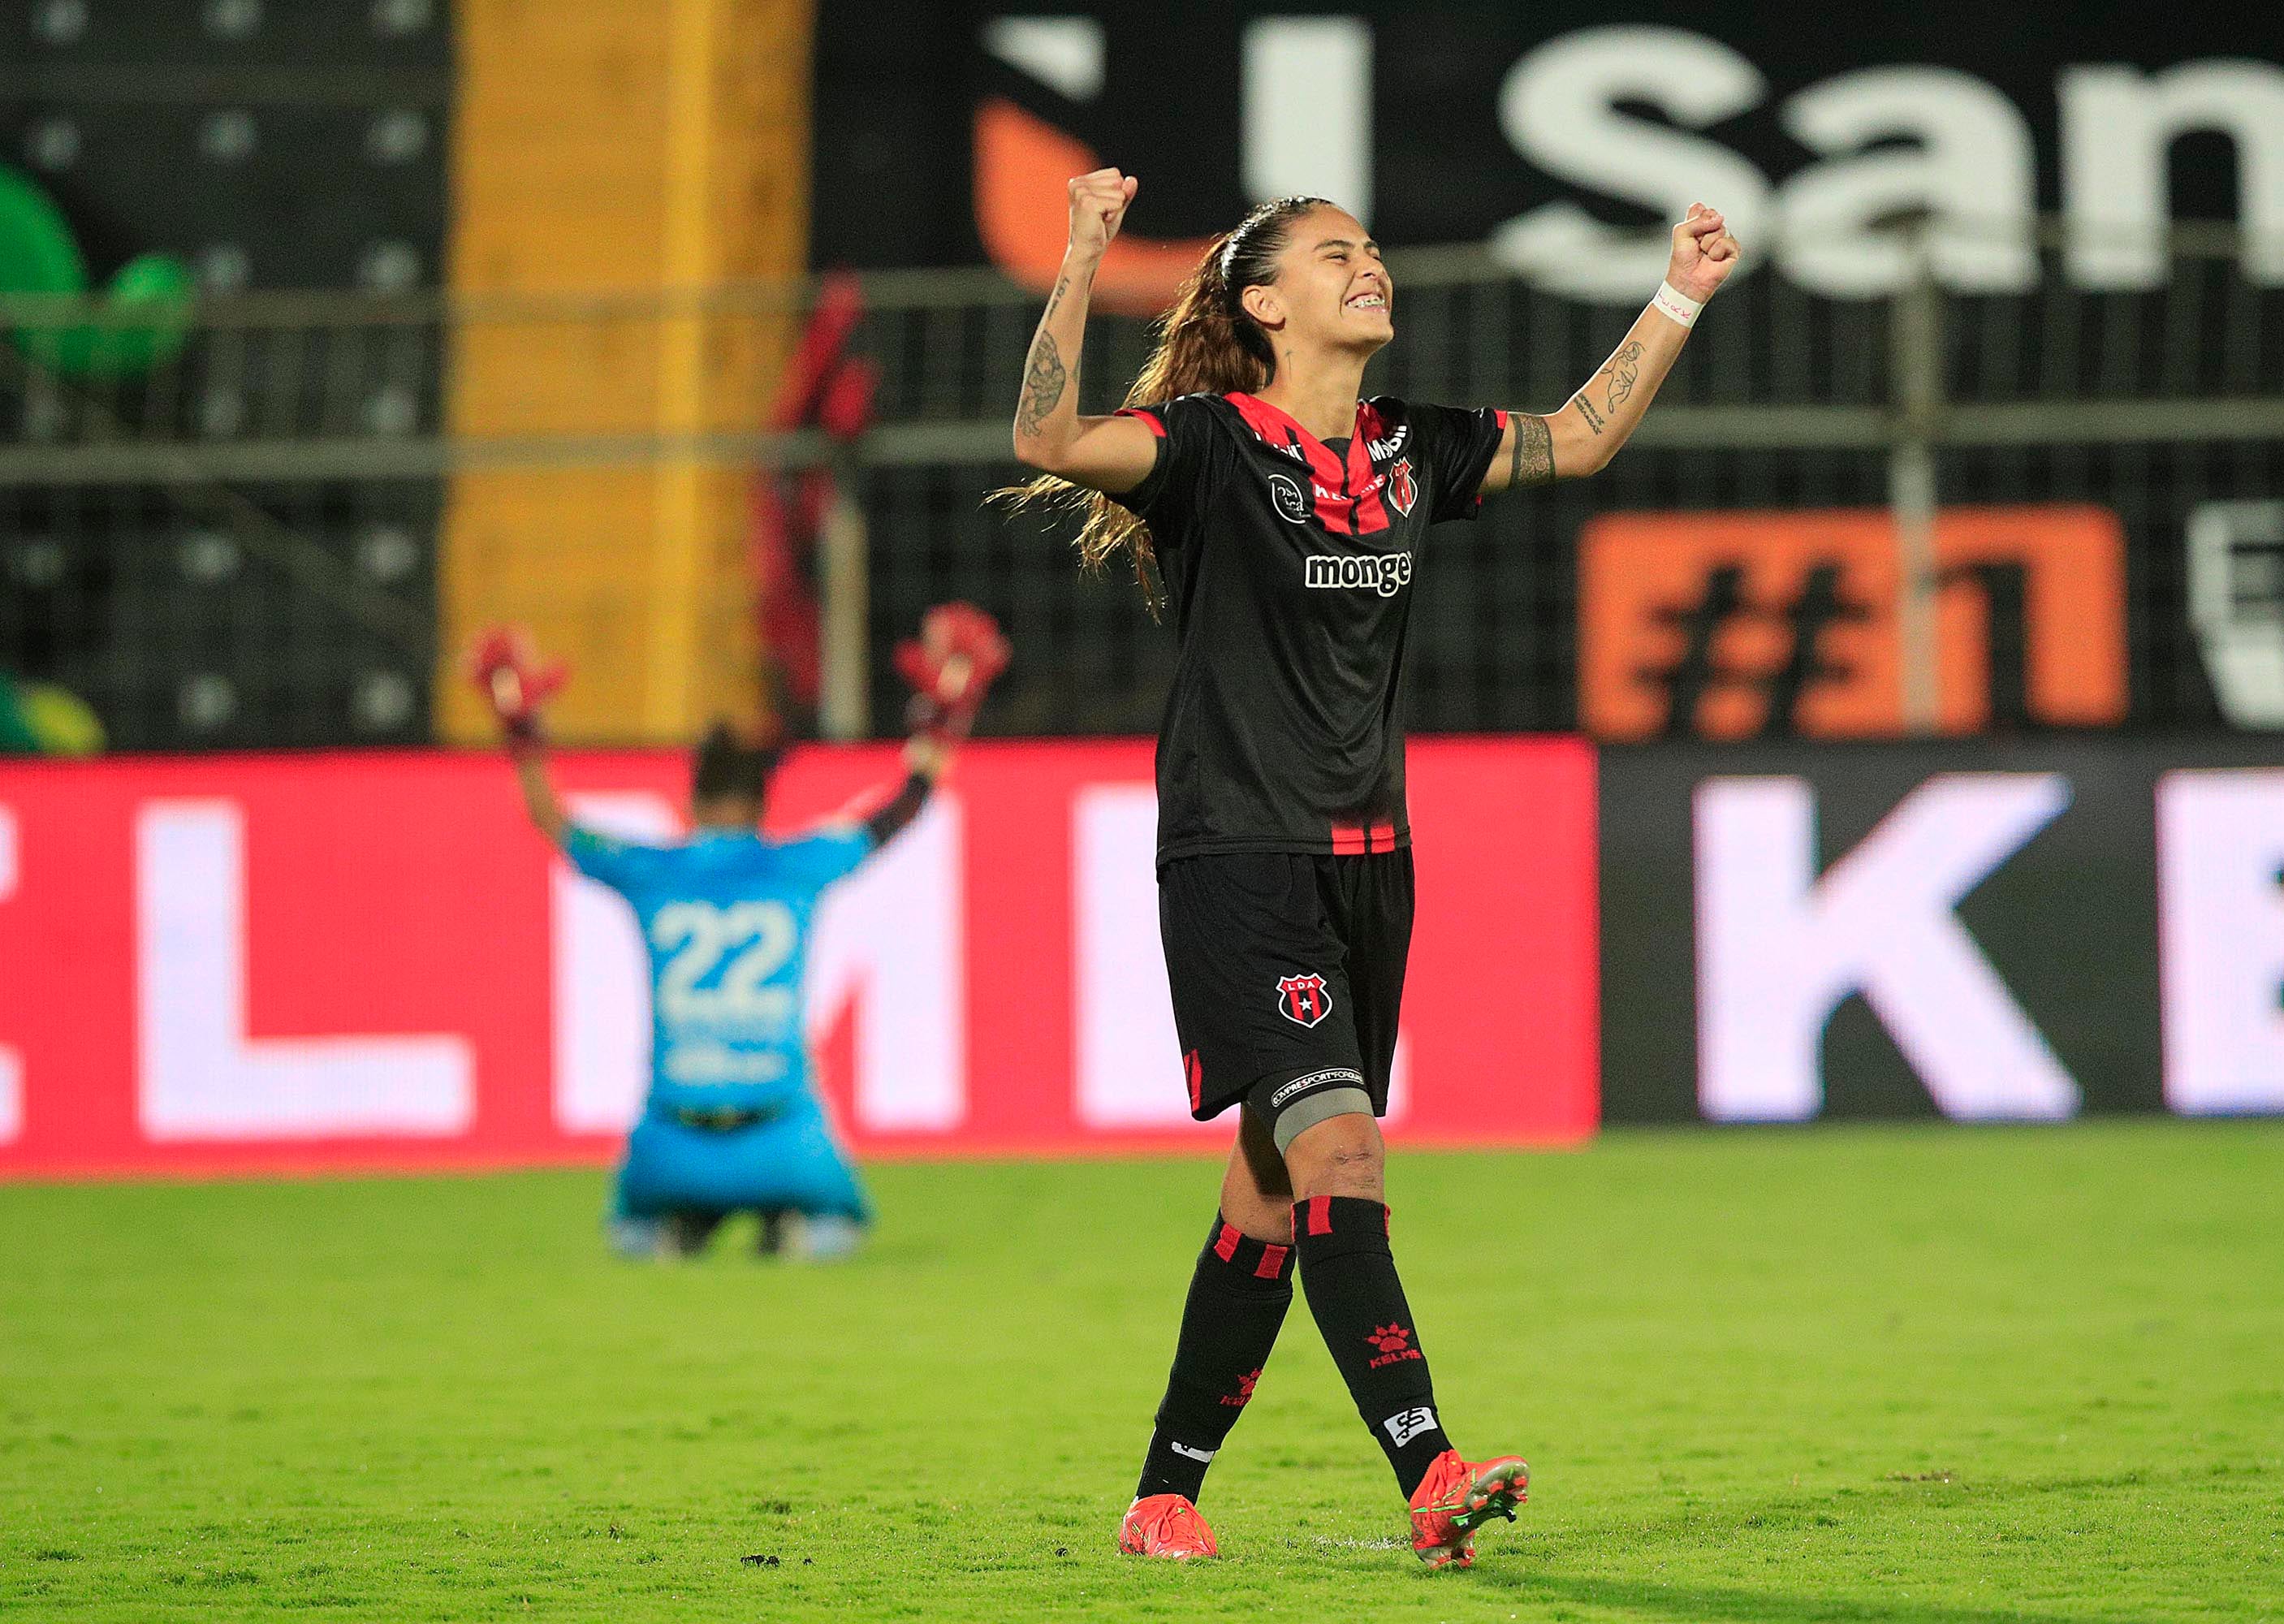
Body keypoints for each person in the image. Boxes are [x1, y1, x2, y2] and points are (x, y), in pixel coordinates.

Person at [1005, 174, 1739, 1566]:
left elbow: (1581, 438)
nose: (1370, 267)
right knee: (1342, 1151)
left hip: (1370, 861)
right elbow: (1044, 434)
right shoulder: (1211, 447)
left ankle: (1164, 1496)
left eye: (1374, 249)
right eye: (1334, 254)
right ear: (1264, 303)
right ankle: (1429, 1467)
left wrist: (1679, 294)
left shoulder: (1411, 448)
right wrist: (1085, 253)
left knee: (1271, 1192)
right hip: (1239, 854)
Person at [470, 608, 1005, 1260]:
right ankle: (791, 1232)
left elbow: (550, 819)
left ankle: (676, 1228)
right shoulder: (797, 865)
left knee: (630, 1235)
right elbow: (905, 806)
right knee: (839, 1227)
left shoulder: (651, 871)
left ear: (692, 805)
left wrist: (521, 727)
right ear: (760, 808)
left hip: (672, 1138)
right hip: (783, 1137)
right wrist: (946, 718)